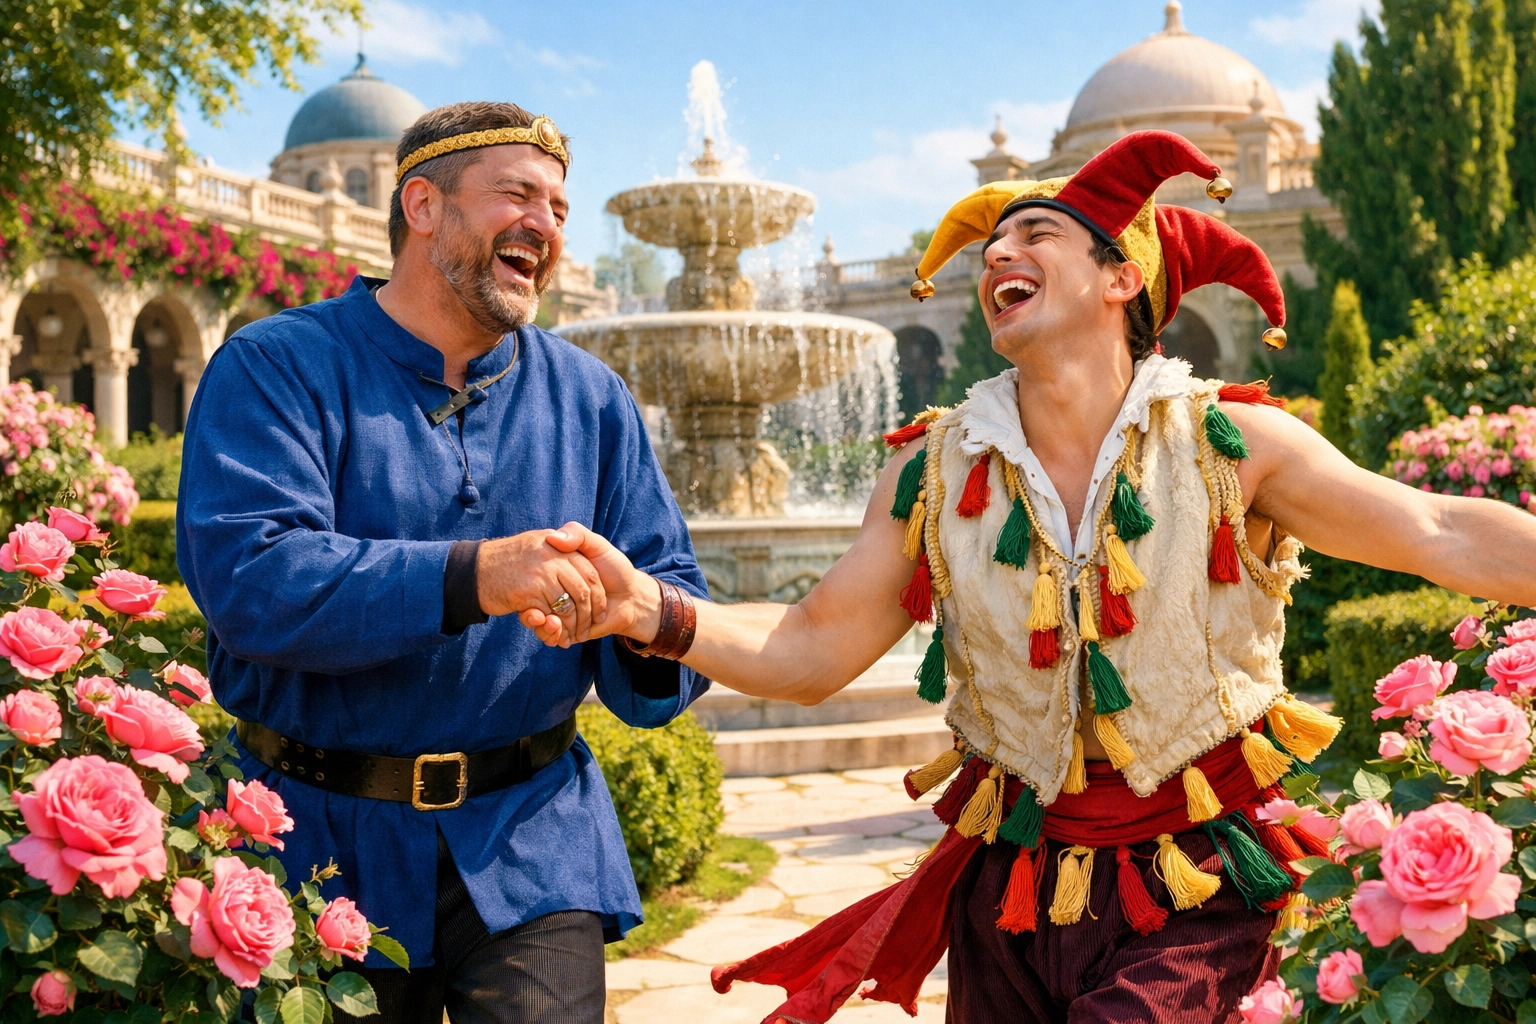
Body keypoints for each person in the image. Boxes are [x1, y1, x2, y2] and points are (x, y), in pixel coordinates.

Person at [531, 130, 1536, 1023]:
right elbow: (809, 648)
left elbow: (1440, 529)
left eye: (1036, 236)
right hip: (1011, 888)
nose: (998, 256)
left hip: (1201, 883)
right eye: (992, 247)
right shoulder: (931, 471)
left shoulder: (1236, 444)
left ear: (1121, 277)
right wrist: (645, 608)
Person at [176, 101, 710, 1024]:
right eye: (517, 194)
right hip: (312, 848)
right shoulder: (275, 366)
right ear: (423, 206)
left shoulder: (592, 398)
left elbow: (673, 599)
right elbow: (253, 581)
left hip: (532, 843)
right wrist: (476, 576)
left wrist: (635, 621)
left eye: (558, 207)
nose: (545, 223)